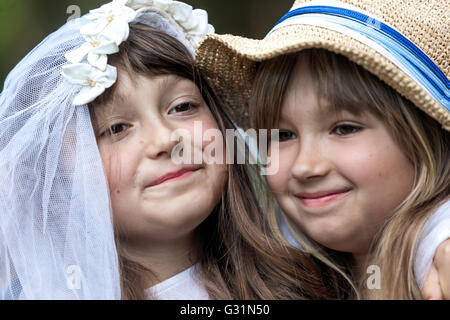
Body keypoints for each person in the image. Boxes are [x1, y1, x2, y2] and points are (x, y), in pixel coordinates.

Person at [0, 0, 345, 299]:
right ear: (59, 179)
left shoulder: (317, 279)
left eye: (182, 107)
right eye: (116, 129)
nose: (166, 140)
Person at [195, 0, 450, 299]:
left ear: (428, 136)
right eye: (284, 135)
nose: (305, 166)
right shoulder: (288, 266)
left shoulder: (438, 254)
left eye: (344, 129)